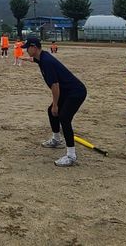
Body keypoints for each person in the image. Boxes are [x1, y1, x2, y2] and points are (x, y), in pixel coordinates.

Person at [22, 37, 87, 167]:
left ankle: (71, 155)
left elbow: (55, 85)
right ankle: (56, 140)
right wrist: (28, 59)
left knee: (63, 117)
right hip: (67, 92)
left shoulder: (47, 62)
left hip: (75, 92)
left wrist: (56, 105)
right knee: (51, 112)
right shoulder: (42, 57)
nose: (26, 50)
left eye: (27, 48)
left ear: (34, 47)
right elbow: (35, 60)